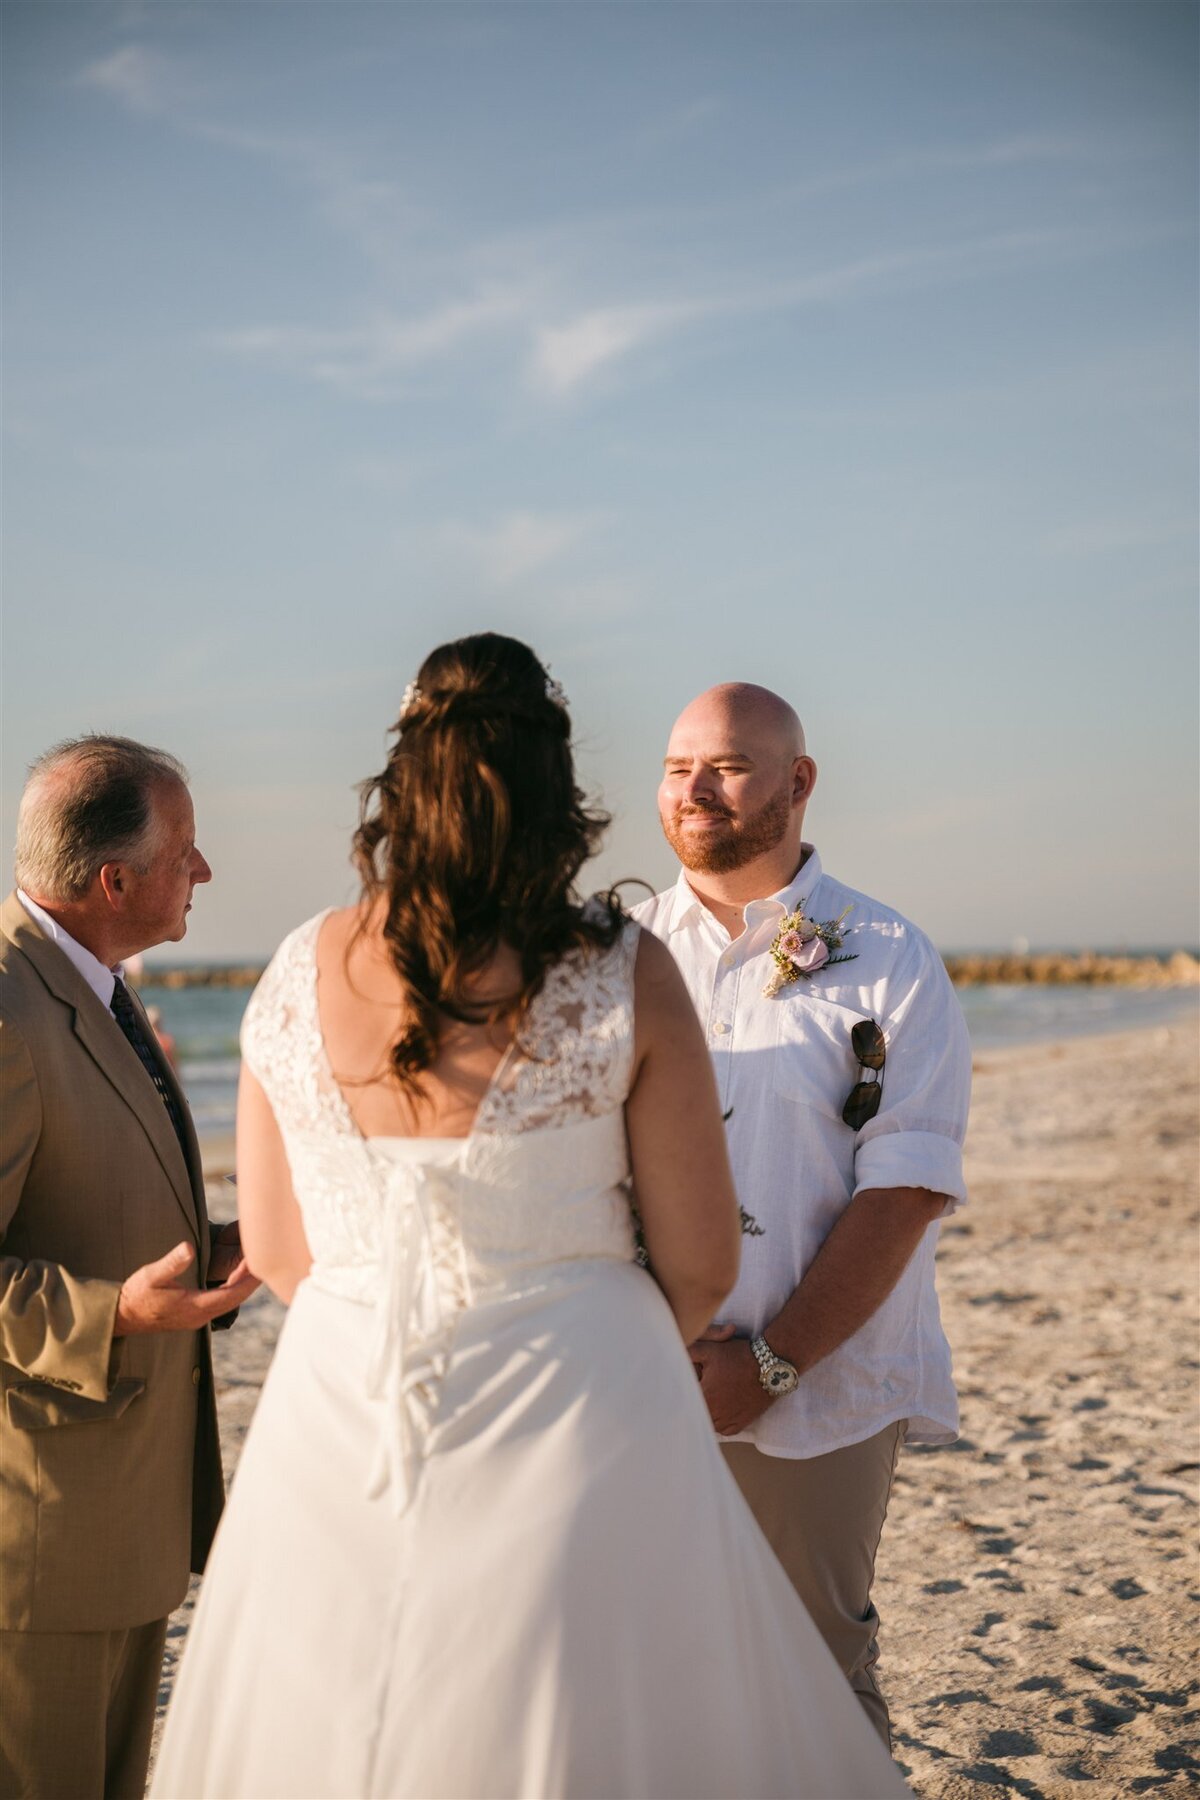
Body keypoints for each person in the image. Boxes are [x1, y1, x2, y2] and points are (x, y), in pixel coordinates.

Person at [151, 635, 907, 1800]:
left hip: (342, 1410)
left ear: (399, 784)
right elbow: (701, 1265)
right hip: (577, 1403)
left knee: (345, 1725)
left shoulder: (296, 968)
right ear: (558, 791)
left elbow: (284, 1252)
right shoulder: (618, 966)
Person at [634, 682, 971, 1747]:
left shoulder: (890, 957)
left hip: (821, 1392)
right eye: (680, 764)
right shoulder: (613, 956)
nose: (696, 788)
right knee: (652, 1679)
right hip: (641, 1386)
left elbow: (904, 1189)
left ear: (799, 782)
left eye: (727, 766)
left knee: (813, 1677)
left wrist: (771, 1365)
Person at [0, 735, 258, 1800]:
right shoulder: (9, 1006)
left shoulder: (95, 988)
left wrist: (221, 1252)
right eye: (186, 850)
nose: (204, 872)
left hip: (123, 1525)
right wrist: (116, 1313)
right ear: (115, 880)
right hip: (41, 1540)